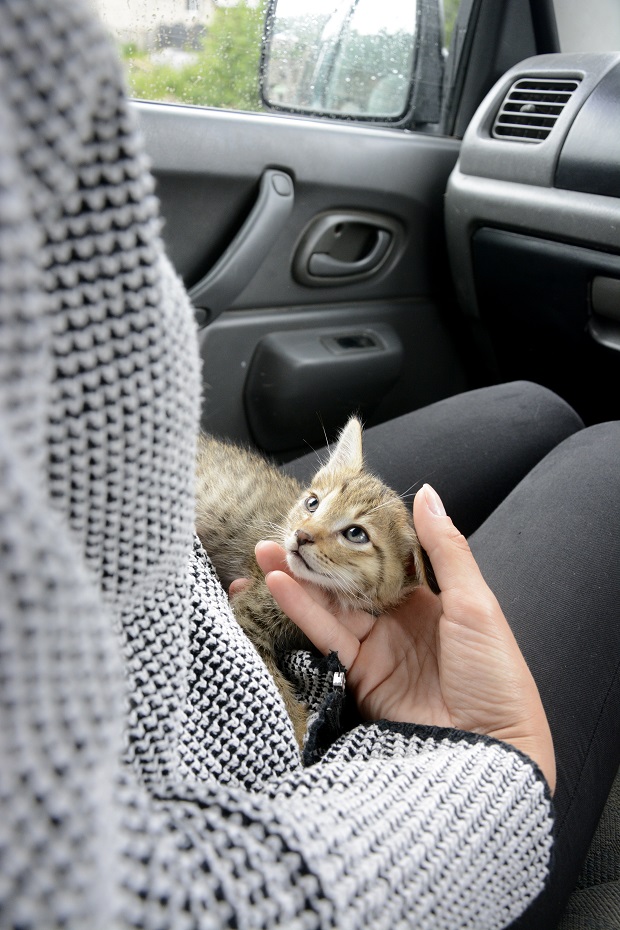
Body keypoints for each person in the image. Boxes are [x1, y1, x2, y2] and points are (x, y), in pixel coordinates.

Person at [1, 2, 619, 929]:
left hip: (167, 590)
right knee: (609, 451)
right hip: (244, 766)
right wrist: (495, 759)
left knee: (536, 405)